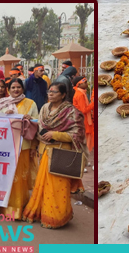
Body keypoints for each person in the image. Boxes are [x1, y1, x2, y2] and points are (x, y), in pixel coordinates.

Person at [23, 79, 85, 229]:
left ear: (63, 95)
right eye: (49, 91)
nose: (50, 94)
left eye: (54, 91)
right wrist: (32, 121)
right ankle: (41, 213)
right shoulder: (44, 108)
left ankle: (56, 217)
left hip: (61, 152)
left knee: (58, 188)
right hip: (44, 151)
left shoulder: (71, 112)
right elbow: (40, 126)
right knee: (43, 185)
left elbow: (77, 134)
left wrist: (55, 134)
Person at [0, 78, 39, 220]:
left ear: (23, 89)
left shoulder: (30, 104)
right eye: (13, 88)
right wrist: (4, 116)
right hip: (7, 147)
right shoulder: (3, 104)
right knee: (8, 177)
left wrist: (29, 118)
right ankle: (6, 207)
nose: (16, 90)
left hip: (24, 146)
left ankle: (20, 207)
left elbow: (36, 124)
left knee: (20, 178)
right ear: (9, 90)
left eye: (18, 87)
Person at [72, 77, 94, 160]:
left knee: (86, 142)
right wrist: (93, 104)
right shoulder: (80, 94)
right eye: (85, 82)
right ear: (80, 84)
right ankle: (83, 161)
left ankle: (84, 160)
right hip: (83, 120)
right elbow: (84, 110)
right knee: (85, 142)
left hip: (83, 120)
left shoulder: (81, 93)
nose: (87, 84)